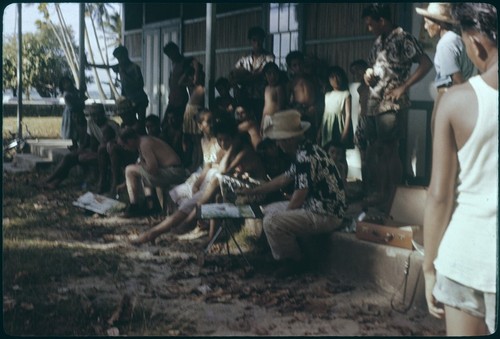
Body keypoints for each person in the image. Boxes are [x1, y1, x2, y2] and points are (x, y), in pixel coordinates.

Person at [423, 3, 497, 336]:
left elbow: (439, 196)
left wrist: (428, 267)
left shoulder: (455, 102)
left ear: (476, 42)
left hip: (465, 258)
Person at [238, 110, 346, 276]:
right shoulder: (307, 150)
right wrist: (253, 191)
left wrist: (283, 220)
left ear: (288, 140)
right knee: (269, 210)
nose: (278, 145)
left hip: (325, 214)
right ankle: (276, 251)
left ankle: (293, 262)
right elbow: (284, 179)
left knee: (272, 221)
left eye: (279, 141)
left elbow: (299, 196)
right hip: (319, 208)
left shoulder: (305, 157)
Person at [130, 116, 265, 245]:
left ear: (234, 139)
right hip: (235, 191)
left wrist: (232, 148)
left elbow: (223, 171)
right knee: (209, 194)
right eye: (220, 140)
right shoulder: (226, 150)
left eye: (227, 140)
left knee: (216, 181)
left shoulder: (244, 151)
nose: (223, 143)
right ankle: (157, 231)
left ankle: (187, 220)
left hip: (257, 191)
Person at [361, 3, 432, 210]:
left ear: (382, 21)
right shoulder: (378, 42)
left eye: (370, 24)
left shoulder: (403, 38)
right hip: (374, 102)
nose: (369, 28)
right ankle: (382, 193)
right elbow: (373, 67)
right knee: (377, 149)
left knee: (389, 149)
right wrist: (367, 75)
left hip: (391, 104)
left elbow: (426, 63)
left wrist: (404, 87)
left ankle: (391, 195)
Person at [415, 2, 476, 133]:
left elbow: (457, 80)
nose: (425, 27)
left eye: (427, 22)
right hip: (461, 98)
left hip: (449, 96)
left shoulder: (445, 44)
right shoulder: (458, 39)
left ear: (439, 23)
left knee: (440, 138)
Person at [41, 104, 119, 190]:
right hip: (97, 151)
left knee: (81, 157)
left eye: (98, 115)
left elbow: (108, 148)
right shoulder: (91, 122)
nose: (96, 118)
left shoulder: (111, 125)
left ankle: (48, 181)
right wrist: (78, 150)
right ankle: (52, 181)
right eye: (93, 115)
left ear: (103, 114)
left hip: (108, 155)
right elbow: (90, 142)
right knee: (69, 157)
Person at [120, 127, 187, 217]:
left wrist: (142, 164)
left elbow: (152, 169)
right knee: (138, 172)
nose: (126, 148)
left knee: (129, 170)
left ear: (129, 141)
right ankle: (150, 205)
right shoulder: (143, 142)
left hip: (174, 172)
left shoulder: (144, 144)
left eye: (125, 145)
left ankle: (134, 206)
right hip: (171, 171)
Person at [86, 46, 149, 129]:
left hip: (139, 99)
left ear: (125, 55)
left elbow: (140, 84)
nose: (119, 60)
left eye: (120, 58)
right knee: (129, 122)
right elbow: (106, 66)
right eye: (118, 59)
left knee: (141, 122)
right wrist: (90, 64)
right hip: (128, 100)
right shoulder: (120, 66)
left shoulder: (134, 67)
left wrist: (125, 73)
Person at [230, 26, 275, 123]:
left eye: (260, 40)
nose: (257, 43)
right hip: (245, 96)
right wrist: (236, 86)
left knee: (259, 122)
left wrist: (240, 79)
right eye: (254, 40)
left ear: (263, 40)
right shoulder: (245, 58)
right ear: (250, 41)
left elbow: (258, 76)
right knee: (244, 123)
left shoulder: (269, 57)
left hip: (261, 97)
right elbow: (232, 74)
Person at [318, 66, 354, 172]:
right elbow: (325, 113)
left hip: (339, 126)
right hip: (327, 127)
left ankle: (343, 179)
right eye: (332, 77)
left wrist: (345, 132)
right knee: (328, 152)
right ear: (328, 80)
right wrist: (320, 130)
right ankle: (329, 176)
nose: (335, 79)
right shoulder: (327, 95)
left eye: (338, 76)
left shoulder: (346, 94)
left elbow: (348, 114)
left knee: (340, 153)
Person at [285, 51, 323, 142]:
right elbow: (286, 102)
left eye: (300, 64)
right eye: (295, 65)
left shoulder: (313, 79)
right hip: (299, 112)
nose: (298, 67)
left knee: (313, 137)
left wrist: (316, 107)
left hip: (313, 111)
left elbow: (320, 94)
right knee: (300, 138)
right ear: (290, 68)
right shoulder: (291, 83)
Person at [350, 59, 372, 194]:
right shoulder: (360, 87)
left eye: (359, 70)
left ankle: (371, 183)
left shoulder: (371, 86)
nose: (356, 74)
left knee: (372, 153)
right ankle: (364, 184)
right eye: (353, 72)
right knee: (361, 153)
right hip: (362, 120)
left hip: (370, 119)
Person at [180, 62, 205, 171]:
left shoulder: (201, 85)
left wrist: (196, 68)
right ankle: (195, 162)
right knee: (193, 140)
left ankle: (199, 162)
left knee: (199, 140)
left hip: (196, 110)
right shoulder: (192, 85)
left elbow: (196, 79)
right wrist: (187, 72)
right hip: (189, 110)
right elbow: (180, 82)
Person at [58, 75, 86, 150]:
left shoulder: (74, 91)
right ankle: (74, 144)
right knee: (73, 129)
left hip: (76, 111)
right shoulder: (66, 94)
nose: (67, 85)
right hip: (71, 112)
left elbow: (80, 95)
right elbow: (73, 105)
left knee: (79, 129)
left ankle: (79, 143)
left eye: (68, 82)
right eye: (65, 84)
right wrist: (81, 101)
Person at [261, 62, 286, 135]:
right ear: (265, 76)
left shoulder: (278, 88)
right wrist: (262, 122)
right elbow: (265, 107)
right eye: (269, 73)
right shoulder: (266, 88)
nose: (272, 76)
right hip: (266, 119)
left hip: (275, 119)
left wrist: (277, 121)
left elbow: (281, 106)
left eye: (275, 73)